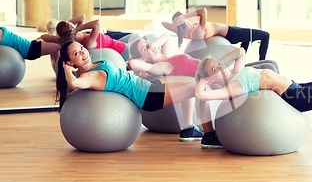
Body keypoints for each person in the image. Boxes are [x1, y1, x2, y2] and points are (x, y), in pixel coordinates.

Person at [194, 47, 312, 154]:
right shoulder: (231, 88)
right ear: (210, 80)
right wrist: (202, 80)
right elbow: (201, 95)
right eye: (214, 70)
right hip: (294, 97)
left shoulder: (235, 74)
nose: (220, 68)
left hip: (296, 86)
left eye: (219, 65)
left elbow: (240, 51)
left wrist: (218, 62)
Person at [55, 40, 205, 142]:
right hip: (148, 97)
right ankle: (210, 134)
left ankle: (188, 128)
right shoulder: (91, 76)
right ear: (70, 62)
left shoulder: (95, 66)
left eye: (81, 48)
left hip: (148, 87)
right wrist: (66, 70)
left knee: (191, 80)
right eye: (76, 54)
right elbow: (74, 83)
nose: (83, 52)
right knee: (197, 87)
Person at [161, 8, 270, 61]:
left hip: (228, 34)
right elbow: (203, 11)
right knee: (265, 35)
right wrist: (185, 16)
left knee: (247, 40)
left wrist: (174, 24)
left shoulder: (184, 33)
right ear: (183, 20)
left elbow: (164, 24)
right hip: (231, 34)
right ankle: (262, 62)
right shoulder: (198, 31)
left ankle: (241, 62)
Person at [41, 15, 138, 61]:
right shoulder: (87, 43)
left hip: (121, 44)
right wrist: (74, 29)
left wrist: (62, 28)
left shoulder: (79, 37)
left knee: (138, 38)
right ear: (73, 28)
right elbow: (97, 23)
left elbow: (82, 17)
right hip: (124, 51)